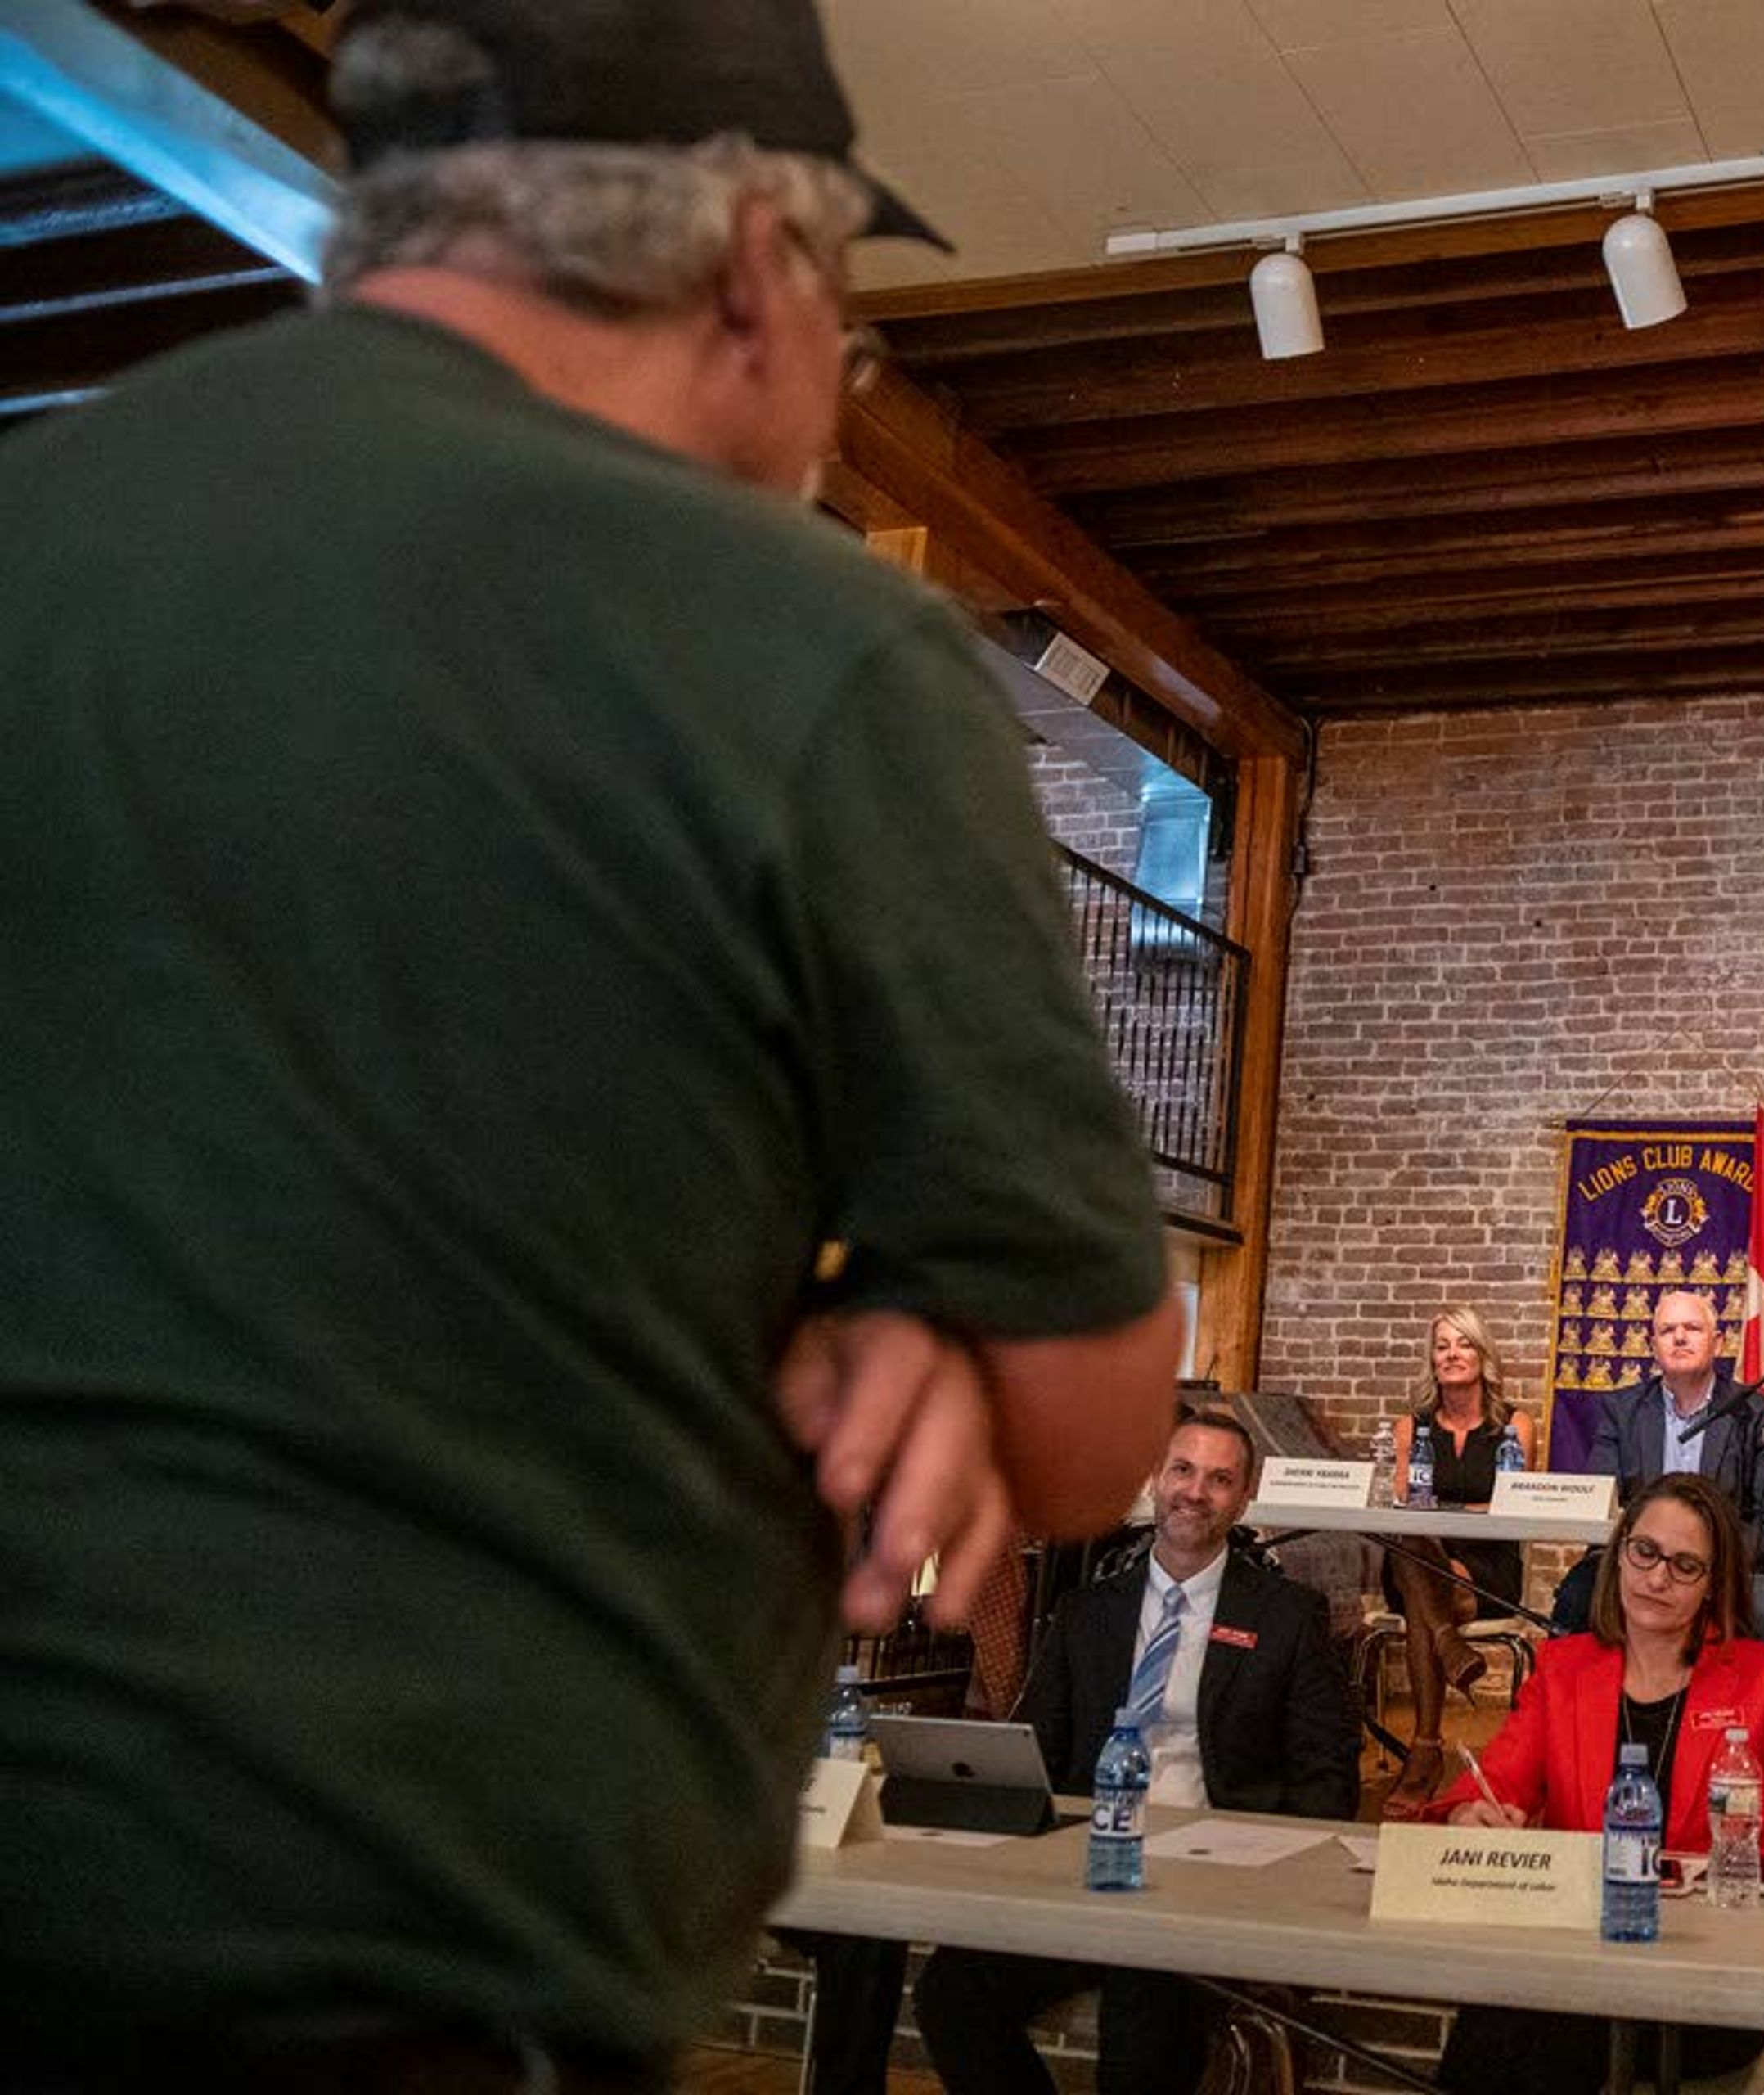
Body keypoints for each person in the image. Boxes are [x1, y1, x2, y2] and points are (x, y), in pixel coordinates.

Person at [0, 3, 1183, 2084]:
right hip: (373, 1936)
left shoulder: (47, 526)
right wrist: (902, 1300)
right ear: (754, 264)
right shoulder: (815, 654)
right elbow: (1089, 1426)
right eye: (860, 323)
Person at [896, 1412, 1361, 2095]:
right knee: (951, 1991)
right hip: (1089, 1870)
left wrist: (1272, 1874)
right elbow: (1036, 1752)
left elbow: (1328, 1779)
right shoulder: (1088, 1611)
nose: (1194, 1492)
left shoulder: (1287, 1617)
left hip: (1214, 1885)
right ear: (1155, 1479)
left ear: (1246, 1499)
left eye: (1219, 1479)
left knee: (1142, 2020)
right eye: (1182, 1470)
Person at [1434, 1476, 1764, 2095]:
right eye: (1644, 1552)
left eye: (1685, 1564)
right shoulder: (1563, 1670)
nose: (1657, 1577)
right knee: (1500, 2014)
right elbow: (1491, 1784)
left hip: (1709, 1971)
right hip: (1576, 1959)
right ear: (1618, 1555)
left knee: (1524, 2033)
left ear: (1713, 1586)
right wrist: (1470, 1817)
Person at [1551, 1290, 1764, 1638]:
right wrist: (1645, 1557)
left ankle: (1729, 1695)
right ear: (1653, 1345)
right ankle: (1577, 1694)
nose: (1680, 1337)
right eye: (1667, 1330)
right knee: (1578, 1594)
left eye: (1692, 1328)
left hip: (1722, 1566)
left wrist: (1702, 1558)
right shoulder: (1621, 1412)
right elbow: (1601, 1506)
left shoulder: (1756, 1414)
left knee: (1763, 1603)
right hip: (1638, 1560)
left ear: (1717, 1342)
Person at [1382, 1307, 1533, 1807]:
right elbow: (1405, 1500)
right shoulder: (1412, 1426)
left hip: (1487, 1567)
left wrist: (1449, 1509)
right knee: (1416, 1544)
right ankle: (1448, 1643)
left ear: (1482, 1354)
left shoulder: (1514, 1425)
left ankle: (1424, 1752)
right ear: (1432, 1359)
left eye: (1463, 1343)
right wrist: (1461, 1511)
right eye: (1442, 1345)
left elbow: (1513, 1505)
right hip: (1423, 1557)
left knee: (1422, 1580)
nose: (1451, 1353)